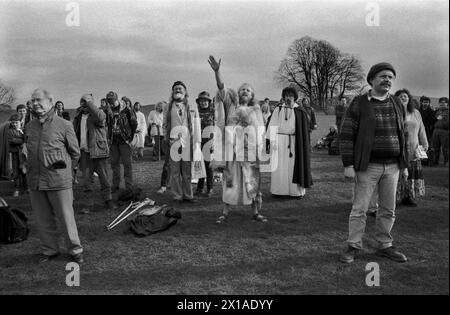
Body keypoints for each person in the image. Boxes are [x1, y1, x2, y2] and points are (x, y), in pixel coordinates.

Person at [338, 62, 408, 264]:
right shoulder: (359, 103)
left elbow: (402, 134)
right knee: (360, 209)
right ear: (371, 80)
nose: (387, 80)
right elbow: (346, 135)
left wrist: (403, 166)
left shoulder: (396, 103)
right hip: (367, 166)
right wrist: (348, 165)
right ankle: (353, 246)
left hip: (393, 166)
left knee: (388, 209)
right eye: (383, 76)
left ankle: (385, 245)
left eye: (390, 77)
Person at [26, 88, 83, 263]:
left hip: (58, 181)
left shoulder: (64, 125)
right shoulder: (29, 126)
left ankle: (75, 250)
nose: (35, 103)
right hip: (35, 181)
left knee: (66, 218)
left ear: (50, 101)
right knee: (43, 220)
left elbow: (75, 153)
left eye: (39, 100)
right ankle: (50, 250)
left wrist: (66, 172)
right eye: (33, 100)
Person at [208, 55, 267, 223]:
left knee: (252, 180)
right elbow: (221, 89)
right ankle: (225, 212)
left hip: (250, 151)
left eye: (248, 90)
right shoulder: (231, 104)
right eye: (242, 89)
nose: (244, 91)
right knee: (230, 179)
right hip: (232, 149)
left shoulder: (256, 110)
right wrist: (217, 71)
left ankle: (255, 212)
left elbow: (260, 131)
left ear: (253, 94)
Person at [72, 94, 115, 214]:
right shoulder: (78, 117)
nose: (84, 105)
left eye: (87, 103)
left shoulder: (98, 114)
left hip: (98, 151)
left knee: (104, 178)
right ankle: (88, 204)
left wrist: (90, 102)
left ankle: (108, 200)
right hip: (84, 152)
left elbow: (101, 118)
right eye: (83, 102)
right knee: (86, 180)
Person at [267, 87, 312, 197]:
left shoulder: (300, 111)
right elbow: (272, 125)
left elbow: (304, 130)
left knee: (294, 167)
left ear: (295, 97)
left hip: (295, 142)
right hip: (279, 141)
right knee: (279, 167)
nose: (288, 98)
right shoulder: (279, 109)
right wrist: (272, 141)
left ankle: (295, 192)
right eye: (286, 95)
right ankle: (279, 191)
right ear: (283, 97)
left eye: (291, 96)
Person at [162, 81, 201, 203]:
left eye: (180, 88)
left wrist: (197, 142)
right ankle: (177, 195)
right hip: (173, 142)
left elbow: (197, 125)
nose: (178, 90)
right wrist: (165, 137)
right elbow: (164, 124)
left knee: (187, 171)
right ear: (172, 92)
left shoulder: (192, 107)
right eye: (176, 89)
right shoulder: (168, 107)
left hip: (187, 142)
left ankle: (188, 195)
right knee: (174, 172)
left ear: (185, 91)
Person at [394, 89, 428, 207]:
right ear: (396, 99)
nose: (403, 98)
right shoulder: (394, 112)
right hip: (398, 148)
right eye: (400, 96)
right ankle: (394, 198)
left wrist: (425, 144)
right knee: (398, 174)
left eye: (405, 96)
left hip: (413, 148)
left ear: (409, 99)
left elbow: (421, 129)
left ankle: (407, 197)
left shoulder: (416, 113)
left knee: (411, 174)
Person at [105, 91, 138, 192]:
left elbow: (134, 123)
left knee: (127, 164)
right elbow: (108, 124)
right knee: (114, 164)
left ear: (117, 99)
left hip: (125, 141)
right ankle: (115, 185)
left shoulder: (127, 110)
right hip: (113, 141)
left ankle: (129, 186)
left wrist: (130, 137)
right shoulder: (107, 110)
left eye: (113, 101)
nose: (111, 103)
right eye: (109, 101)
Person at [195, 91, 215, 197]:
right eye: (201, 101)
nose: (203, 103)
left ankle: (210, 188)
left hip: (209, 142)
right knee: (200, 165)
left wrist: (214, 142)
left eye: (205, 100)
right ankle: (200, 187)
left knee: (209, 167)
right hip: (198, 143)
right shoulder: (196, 113)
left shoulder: (213, 113)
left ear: (208, 101)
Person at [7, 114, 27, 197]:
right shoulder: (10, 131)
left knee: (24, 171)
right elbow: (12, 141)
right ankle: (17, 189)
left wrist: (22, 134)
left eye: (16, 122)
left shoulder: (24, 130)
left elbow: (27, 140)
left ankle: (26, 188)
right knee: (16, 172)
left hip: (23, 154)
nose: (15, 124)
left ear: (20, 122)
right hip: (15, 154)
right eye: (13, 123)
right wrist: (22, 140)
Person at [431, 97, 449, 166]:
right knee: (435, 147)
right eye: (440, 103)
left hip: (445, 131)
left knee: (445, 148)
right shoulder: (437, 111)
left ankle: (447, 161)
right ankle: (435, 161)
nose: (442, 104)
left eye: (443, 103)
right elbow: (432, 120)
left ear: (447, 104)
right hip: (435, 131)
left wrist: (442, 121)